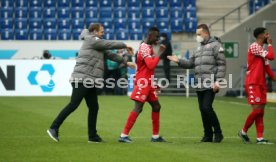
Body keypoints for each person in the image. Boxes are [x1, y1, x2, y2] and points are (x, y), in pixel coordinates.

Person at [47, 23, 136, 143]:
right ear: (94, 31)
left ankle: (93, 137)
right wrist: (124, 45)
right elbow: (108, 44)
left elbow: (109, 54)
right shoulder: (91, 40)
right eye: (101, 31)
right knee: (73, 104)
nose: (103, 33)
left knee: (94, 107)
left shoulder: (96, 42)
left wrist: (126, 62)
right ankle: (54, 127)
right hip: (82, 78)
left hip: (89, 79)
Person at [167, 24, 226, 143]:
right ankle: (207, 135)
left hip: (210, 83)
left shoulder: (216, 45)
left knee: (207, 107)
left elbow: (221, 64)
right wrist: (178, 61)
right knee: (202, 109)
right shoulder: (198, 48)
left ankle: (218, 133)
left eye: (199, 34)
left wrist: (218, 81)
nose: (197, 36)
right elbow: (190, 64)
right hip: (199, 83)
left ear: (206, 33)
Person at [118, 27, 166, 143]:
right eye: (156, 36)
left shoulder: (148, 47)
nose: (158, 39)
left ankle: (155, 137)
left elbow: (148, 68)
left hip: (148, 82)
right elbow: (150, 65)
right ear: (150, 36)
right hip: (143, 83)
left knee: (156, 107)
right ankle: (123, 135)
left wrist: (153, 83)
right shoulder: (144, 47)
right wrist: (159, 53)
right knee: (138, 108)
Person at [238, 27, 275, 144]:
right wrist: (270, 45)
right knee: (257, 110)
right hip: (252, 82)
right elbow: (271, 56)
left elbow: (268, 69)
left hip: (261, 84)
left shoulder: (262, 50)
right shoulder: (254, 46)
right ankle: (243, 132)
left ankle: (260, 138)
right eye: (266, 34)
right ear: (260, 35)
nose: (267, 36)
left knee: (261, 112)